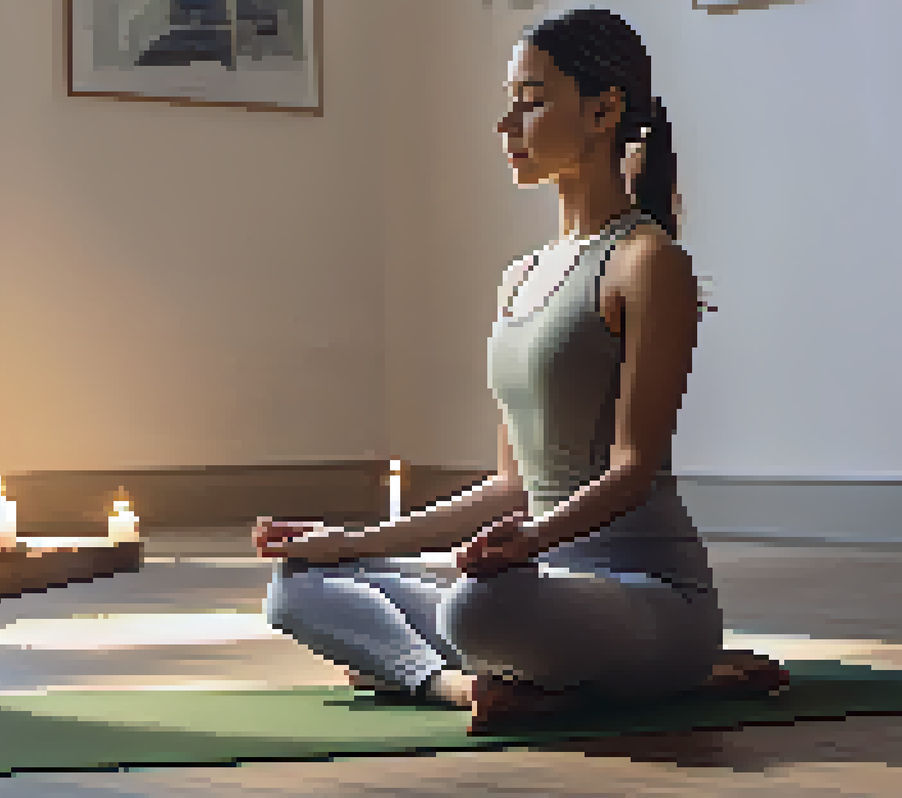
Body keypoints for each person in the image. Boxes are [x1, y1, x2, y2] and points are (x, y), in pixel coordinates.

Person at [253, 7, 785, 735]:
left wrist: (529, 544)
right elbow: (510, 486)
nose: (508, 126)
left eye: (531, 101)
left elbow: (634, 470)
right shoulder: (518, 279)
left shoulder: (647, 262)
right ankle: (465, 689)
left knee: (478, 610)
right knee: (298, 587)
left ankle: (668, 665)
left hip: (643, 591)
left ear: (604, 109)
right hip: (537, 588)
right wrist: (347, 540)